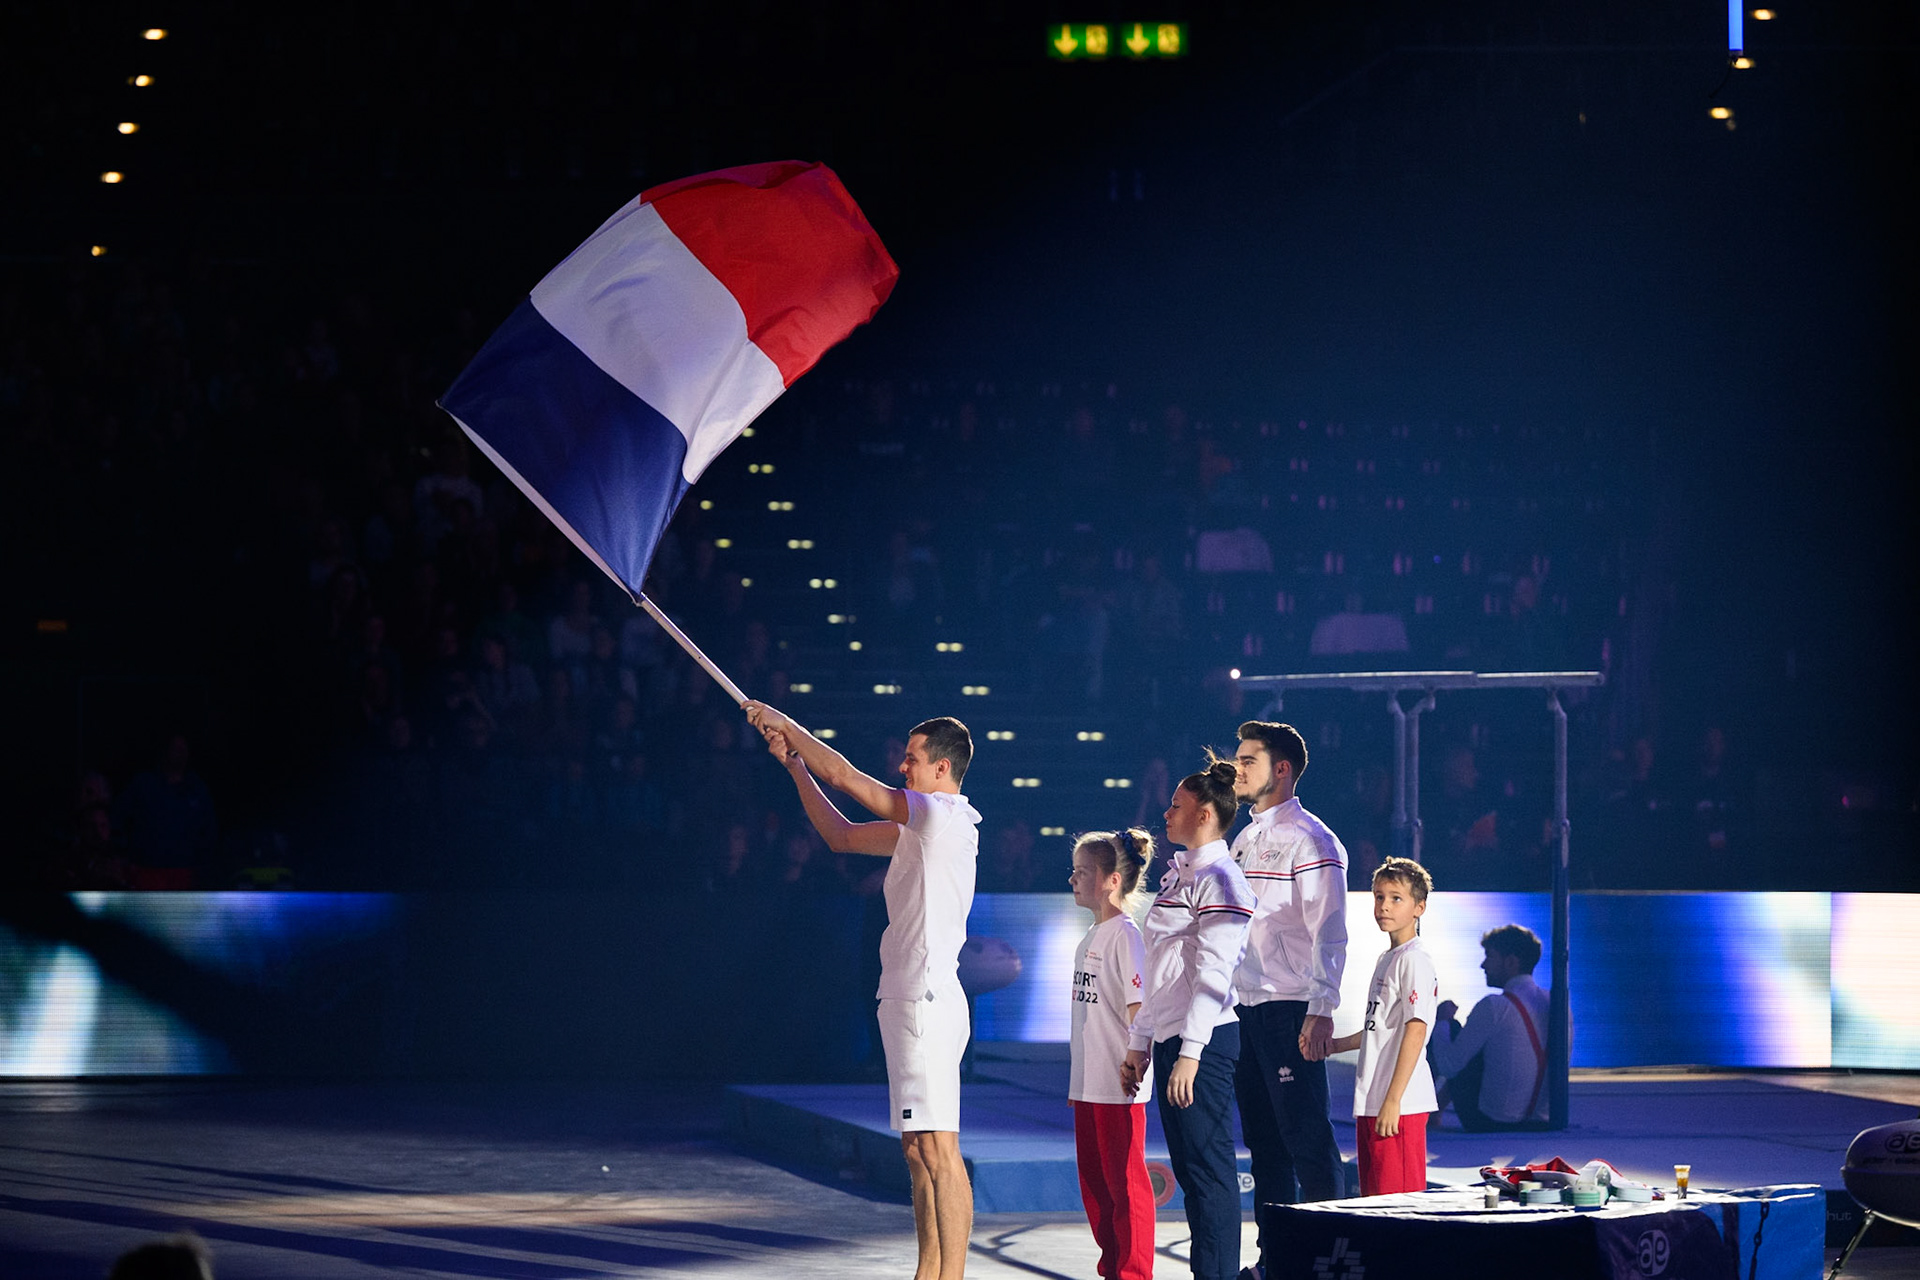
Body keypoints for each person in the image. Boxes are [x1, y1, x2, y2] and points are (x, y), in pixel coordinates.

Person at [746, 701, 980, 1280]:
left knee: (939, 1150)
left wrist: (787, 724)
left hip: (926, 1001)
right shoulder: (920, 829)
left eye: (912, 759)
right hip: (906, 997)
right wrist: (795, 765)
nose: (902, 767)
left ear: (942, 769)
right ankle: (929, 1272)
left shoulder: (941, 816)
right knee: (917, 1150)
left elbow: (848, 779)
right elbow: (841, 836)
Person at [1121, 760, 1255, 1280]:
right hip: (1174, 1039)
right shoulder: (1182, 875)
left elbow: (1214, 976)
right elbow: (1162, 969)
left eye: (1176, 805)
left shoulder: (1222, 879)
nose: (1166, 812)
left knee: (1210, 1171)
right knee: (1192, 1173)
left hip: (1207, 1042)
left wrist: (1192, 1054)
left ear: (1203, 815)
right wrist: (1141, 1041)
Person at [1226, 721, 1348, 1280]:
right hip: (1246, 1007)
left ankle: (1331, 1258)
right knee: (1264, 1144)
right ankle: (1275, 1260)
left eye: (1247, 760)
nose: (1237, 769)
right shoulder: (1244, 838)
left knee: (1306, 1137)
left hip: (1291, 1005)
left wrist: (1322, 1008)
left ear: (1281, 769)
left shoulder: (1312, 840)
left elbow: (1331, 930)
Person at [1068, 828, 1157, 1280]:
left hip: (1118, 1083)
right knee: (1096, 1186)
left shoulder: (1126, 935)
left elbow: (1141, 1009)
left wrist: (1135, 1059)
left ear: (1112, 880)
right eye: (1074, 871)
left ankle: (1134, 1272)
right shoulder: (1092, 936)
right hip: (1089, 1084)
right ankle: (1113, 1268)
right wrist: (1079, 1080)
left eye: (1083, 872)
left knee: (1125, 1185)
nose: (1073, 879)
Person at [1328, 857, 1438, 1197]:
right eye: (1379, 897)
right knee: (1373, 1202)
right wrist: (1336, 1045)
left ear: (1419, 907)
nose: (1384, 906)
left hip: (1399, 1104)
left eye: (1396, 898)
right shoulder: (1387, 958)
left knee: (1398, 1206)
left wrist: (1394, 1100)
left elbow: (1416, 1029)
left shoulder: (1414, 959)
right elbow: (1381, 1029)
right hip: (1372, 1100)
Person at [1428, 924, 1549, 1131]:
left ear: (1511, 962)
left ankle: (1425, 1110)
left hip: (1490, 1122)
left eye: (1489, 956)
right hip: (1541, 1122)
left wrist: (1441, 1021)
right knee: (1479, 1042)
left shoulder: (1494, 1005)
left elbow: (1449, 1066)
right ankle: (1434, 1110)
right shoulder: (1553, 1002)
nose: (1483, 965)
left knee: (1451, 1028)